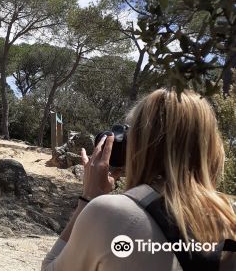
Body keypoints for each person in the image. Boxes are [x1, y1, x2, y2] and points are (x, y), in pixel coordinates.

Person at [41, 89, 236, 271]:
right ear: (211, 148)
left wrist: (89, 198)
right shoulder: (230, 216)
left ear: (136, 146)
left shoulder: (111, 214)